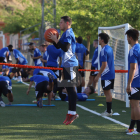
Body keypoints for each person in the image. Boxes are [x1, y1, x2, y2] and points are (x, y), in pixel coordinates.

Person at [48, 16, 79, 125]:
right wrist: (53, 39)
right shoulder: (65, 34)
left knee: (72, 89)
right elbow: (58, 47)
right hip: (66, 65)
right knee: (69, 89)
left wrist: (56, 39)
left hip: (71, 65)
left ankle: (73, 113)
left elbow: (66, 48)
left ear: (67, 23)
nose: (59, 24)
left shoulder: (69, 33)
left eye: (61, 22)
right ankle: (70, 113)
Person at [94, 33, 115, 116]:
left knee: (107, 92)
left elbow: (104, 64)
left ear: (102, 40)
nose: (98, 40)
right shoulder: (109, 48)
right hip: (110, 74)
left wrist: (98, 75)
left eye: (99, 39)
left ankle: (109, 111)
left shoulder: (103, 50)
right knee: (107, 92)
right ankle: (109, 110)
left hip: (107, 75)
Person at [125, 29, 140, 135]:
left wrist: (129, 83)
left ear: (130, 37)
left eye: (127, 37)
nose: (127, 40)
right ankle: (131, 128)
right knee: (134, 105)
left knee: (135, 105)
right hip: (137, 81)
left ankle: (138, 130)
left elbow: (133, 68)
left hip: (135, 82)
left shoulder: (133, 50)